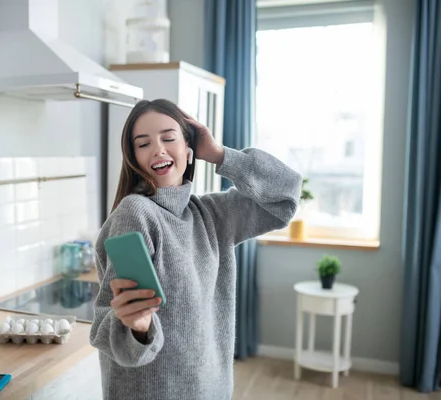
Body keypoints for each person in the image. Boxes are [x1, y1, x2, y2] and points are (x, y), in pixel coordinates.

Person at [90, 99, 302, 400]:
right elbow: (110, 333)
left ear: (189, 151)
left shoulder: (213, 215)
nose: (158, 150)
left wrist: (219, 154)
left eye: (168, 138)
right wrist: (137, 328)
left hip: (210, 390)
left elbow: (286, 196)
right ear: (134, 159)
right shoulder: (134, 213)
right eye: (143, 144)